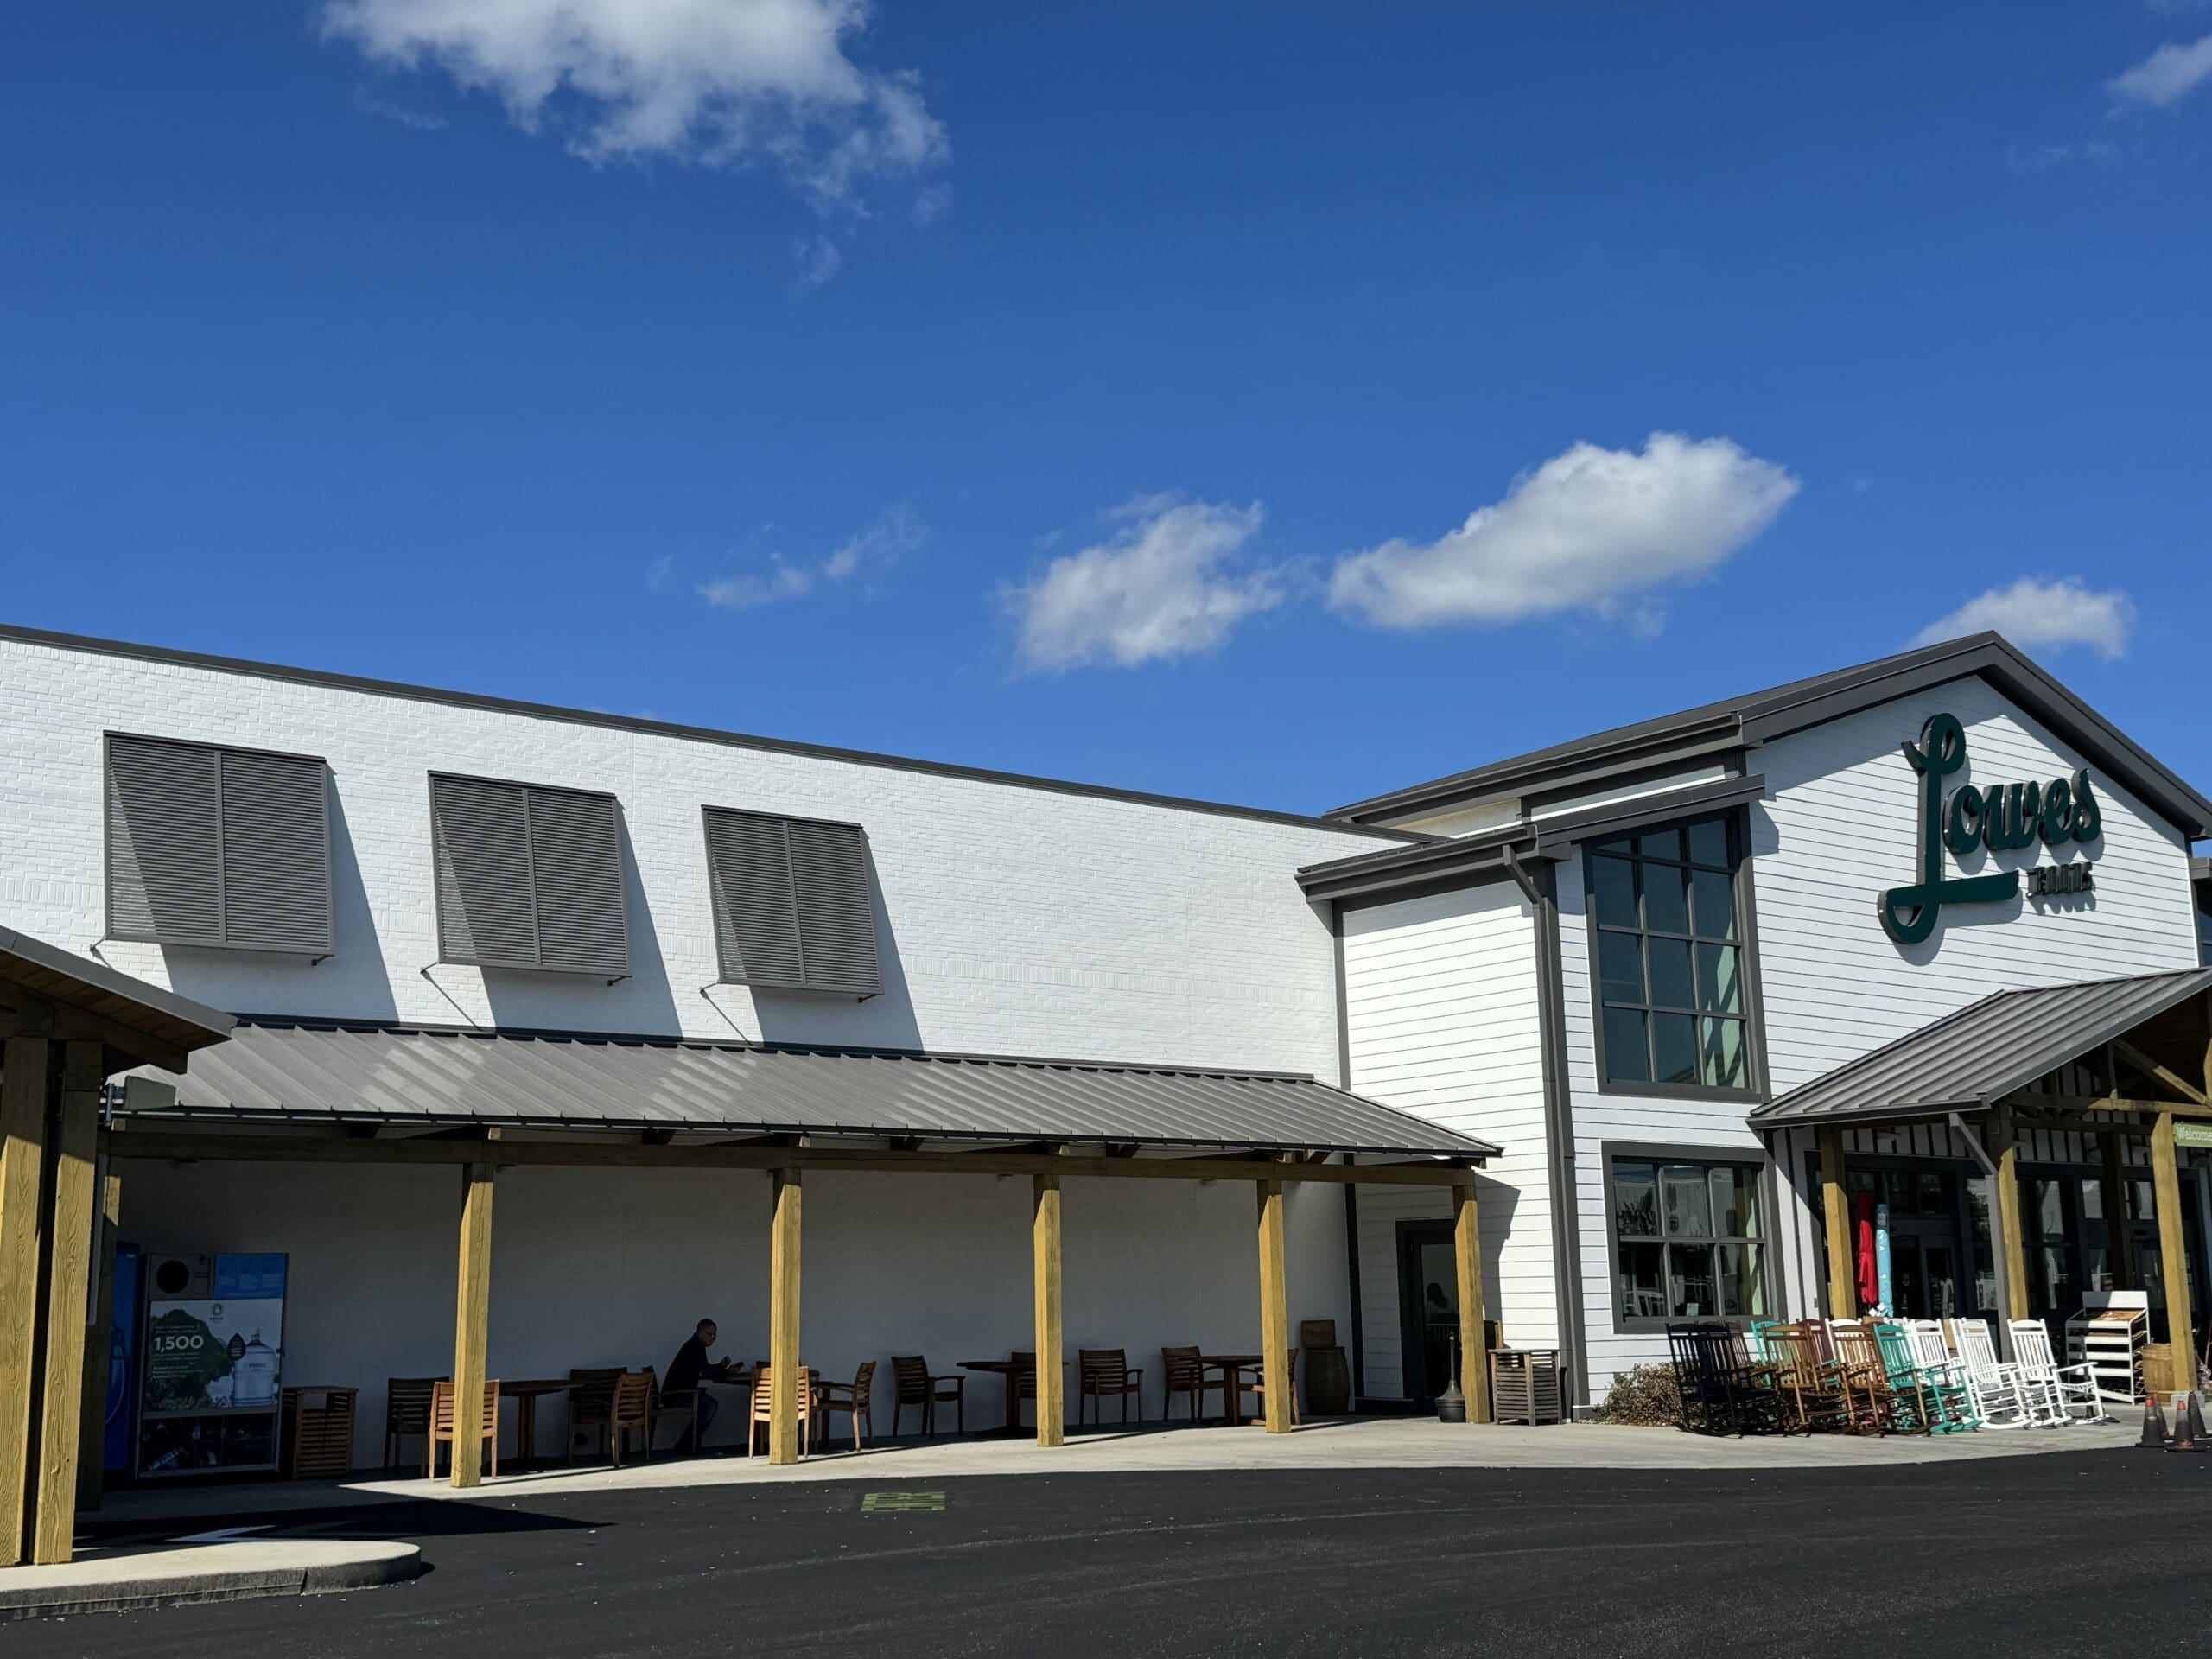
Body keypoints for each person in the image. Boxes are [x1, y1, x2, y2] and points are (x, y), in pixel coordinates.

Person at [664, 1319, 738, 1452]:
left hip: (685, 1392)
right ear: (702, 1333)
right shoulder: (694, 1347)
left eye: (715, 1335)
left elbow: (703, 1370)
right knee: (710, 1406)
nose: (714, 1339)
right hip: (677, 1395)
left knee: (709, 1405)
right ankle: (687, 1443)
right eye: (712, 1335)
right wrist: (725, 1370)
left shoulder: (696, 1346)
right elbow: (705, 1372)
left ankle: (689, 1443)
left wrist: (721, 1367)